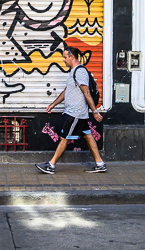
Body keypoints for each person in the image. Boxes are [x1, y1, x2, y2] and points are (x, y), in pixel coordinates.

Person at [36, 46, 106, 174]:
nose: (63, 60)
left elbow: (86, 92)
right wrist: (53, 104)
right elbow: (66, 91)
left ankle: (51, 166)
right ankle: (100, 163)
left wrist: (95, 111)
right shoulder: (73, 71)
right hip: (78, 113)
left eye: (64, 57)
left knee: (64, 138)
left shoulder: (79, 71)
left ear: (71, 57)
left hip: (76, 113)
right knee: (87, 135)